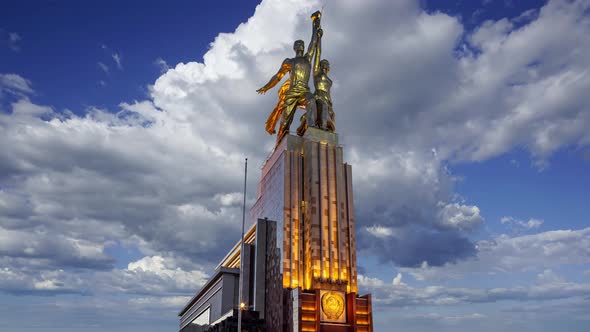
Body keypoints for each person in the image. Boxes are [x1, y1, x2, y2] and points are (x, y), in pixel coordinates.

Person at [257, 11, 321, 142]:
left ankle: (311, 127)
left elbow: (313, 42)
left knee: (312, 101)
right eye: (298, 44)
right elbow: (277, 76)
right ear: (294, 48)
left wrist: (315, 24)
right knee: (286, 120)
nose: (300, 46)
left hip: (304, 91)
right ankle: (280, 141)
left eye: (302, 44)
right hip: (291, 93)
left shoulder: (307, 58)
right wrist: (266, 87)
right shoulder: (289, 61)